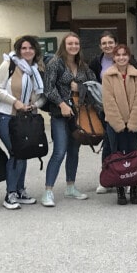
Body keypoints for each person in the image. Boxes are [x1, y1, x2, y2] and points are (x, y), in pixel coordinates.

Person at [0, 35, 45, 210]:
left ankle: (20, 191)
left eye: (31, 48)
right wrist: (15, 102)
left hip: (25, 118)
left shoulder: (35, 70)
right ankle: (10, 194)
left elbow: (42, 96)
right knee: (16, 152)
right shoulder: (9, 64)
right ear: (18, 50)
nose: (27, 51)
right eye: (24, 48)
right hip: (6, 116)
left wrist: (34, 105)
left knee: (24, 152)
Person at [42, 32, 95, 207]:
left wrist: (80, 87)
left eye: (76, 44)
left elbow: (93, 84)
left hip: (78, 113)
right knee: (59, 151)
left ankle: (70, 186)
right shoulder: (55, 63)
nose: (73, 47)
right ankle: (48, 191)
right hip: (60, 114)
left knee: (74, 150)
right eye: (70, 44)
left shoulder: (82, 65)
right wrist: (61, 104)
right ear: (64, 46)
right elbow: (48, 89)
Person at [102, 44, 137, 205]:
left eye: (124, 55)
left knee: (134, 156)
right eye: (118, 55)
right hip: (115, 124)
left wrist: (133, 123)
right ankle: (120, 189)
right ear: (114, 57)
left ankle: (134, 189)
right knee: (117, 156)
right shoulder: (108, 75)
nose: (121, 58)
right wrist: (119, 124)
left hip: (134, 124)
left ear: (129, 57)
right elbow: (109, 102)